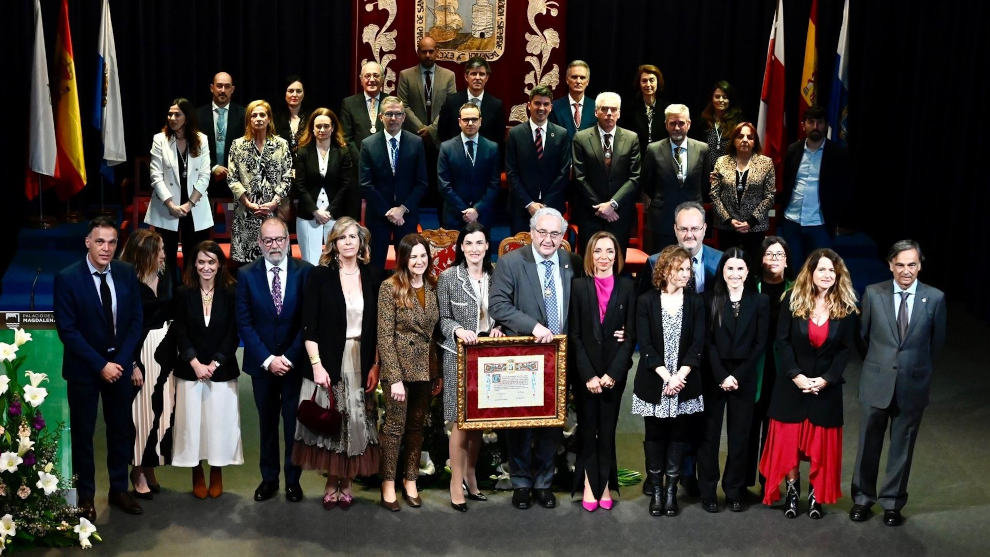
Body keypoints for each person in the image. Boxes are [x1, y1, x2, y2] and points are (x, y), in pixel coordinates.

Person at [489, 207, 583, 510]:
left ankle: (544, 482)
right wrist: (532, 326)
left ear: (563, 236)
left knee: (553, 424)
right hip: (525, 357)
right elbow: (498, 306)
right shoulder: (511, 262)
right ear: (532, 232)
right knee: (520, 424)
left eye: (555, 233)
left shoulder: (573, 263)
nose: (548, 239)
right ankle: (521, 483)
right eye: (542, 232)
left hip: (561, 357)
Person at [850, 240, 946, 527]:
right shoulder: (872, 294)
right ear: (891, 265)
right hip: (876, 382)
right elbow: (862, 338)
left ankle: (892, 502)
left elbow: (935, 345)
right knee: (869, 444)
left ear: (920, 265)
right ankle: (863, 499)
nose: (906, 271)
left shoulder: (936, 298)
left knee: (902, 447)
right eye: (900, 264)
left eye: (912, 264)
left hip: (912, 385)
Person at [54, 216, 145, 519]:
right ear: (87, 243)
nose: (106, 248)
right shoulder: (67, 278)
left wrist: (120, 362)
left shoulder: (126, 272)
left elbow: (135, 322)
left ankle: (119, 489)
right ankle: (86, 497)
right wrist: (101, 365)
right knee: (84, 435)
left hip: (118, 368)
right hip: (85, 372)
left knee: (120, 431)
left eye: (112, 242)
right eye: (100, 241)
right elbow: (68, 331)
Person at [760, 248, 858, 519]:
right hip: (792, 386)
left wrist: (826, 379)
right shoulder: (791, 299)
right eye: (821, 269)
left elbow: (845, 350)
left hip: (825, 390)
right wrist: (796, 375)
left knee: (819, 447)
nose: (826, 275)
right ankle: (793, 493)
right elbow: (781, 341)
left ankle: (816, 497)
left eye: (831, 270)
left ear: (838, 274)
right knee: (790, 445)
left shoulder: (847, 306)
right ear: (811, 273)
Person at [293, 217, 382, 510]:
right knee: (334, 420)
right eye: (342, 237)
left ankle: (348, 480)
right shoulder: (320, 276)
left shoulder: (372, 275)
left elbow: (379, 327)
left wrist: (375, 365)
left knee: (356, 422)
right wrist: (317, 365)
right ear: (333, 242)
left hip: (361, 357)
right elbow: (309, 326)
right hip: (330, 358)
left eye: (353, 237)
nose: (347, 242)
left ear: (361, 243)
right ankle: (332, 481)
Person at [235, 217, 313, 503]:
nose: (274, 245)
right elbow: (244, 323)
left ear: (288, 240)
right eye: (268, 241)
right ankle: (269, 480)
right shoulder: (246, 275)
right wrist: (268, 359)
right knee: (267, 425)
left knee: (293, 426)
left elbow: (308, 321)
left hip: (294, 365)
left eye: (279, 239)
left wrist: (289, 357)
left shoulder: (305, 272)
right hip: (262, 366)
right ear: (259, 244)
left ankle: (293, 481)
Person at [631, 245, 705, 517]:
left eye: (688, 269)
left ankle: (672, 491)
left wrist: (679, 377)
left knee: (678, 435)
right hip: (655, 380)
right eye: (680, 268)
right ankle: (657, 490)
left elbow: (698, 344)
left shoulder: (696, 302)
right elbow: (646, 345)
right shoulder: (647, 301)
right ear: (666, 269)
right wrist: (666, 377)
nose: (686, 273)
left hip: (685, 382)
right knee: (654, 436)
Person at [696, 247, 769, 513]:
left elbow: (760, 344)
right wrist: (721, 375)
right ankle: (708, 490)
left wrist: (736, 376)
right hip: (714, 374)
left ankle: (734, 490)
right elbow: (707, 342)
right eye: (730, 268)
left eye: (740, 268)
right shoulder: (709, 299)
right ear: (722, 271)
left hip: (744, 377)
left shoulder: (759, 301)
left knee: (741, 436)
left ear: (748, 271)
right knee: (709, 436)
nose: (735, 273)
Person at [436, 222, 503, 512]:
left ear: (487, 246)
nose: (474, 249)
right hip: (458, 355)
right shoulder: (449, 277)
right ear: (461, 247)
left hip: (488, 357)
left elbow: (505, 309)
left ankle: (472, 474)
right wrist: (458, 331)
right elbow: (442, 318)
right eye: (469, 243)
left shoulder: (497, 275)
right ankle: (456, 483)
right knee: (460, 423)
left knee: (479, 422)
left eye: (480, 243)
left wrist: (500, 326)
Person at [569, 231, 636, 512]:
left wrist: (613, 374)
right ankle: (587, 484)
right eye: (598, 251)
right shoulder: (579, 286)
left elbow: (630, 336)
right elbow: (575, 336)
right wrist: (588, 376)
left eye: (610, 251)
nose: (604, 257)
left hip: (613, 375)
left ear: (617, 256)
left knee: (607, 431)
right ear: (590, 255)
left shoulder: (628, 286)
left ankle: (606, 485)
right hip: (586, 374)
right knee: (587, 430)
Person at [170, 240, 242, 499]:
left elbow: (234, 332)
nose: (206, 267)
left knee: (219, 423)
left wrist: (215, 362)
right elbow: (180, 330)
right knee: (193, 423)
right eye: (201, 262)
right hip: (191, 370)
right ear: (194, 265)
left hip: (221, 370)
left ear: (220, 264)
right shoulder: (183, 292)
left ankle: (217, 470)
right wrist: (195, 362)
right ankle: (197, 470)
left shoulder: (232, 292)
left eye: (211, 262)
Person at [377, 233, 441, 512]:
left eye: (423, 255)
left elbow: (434, 335)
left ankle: (410, 479)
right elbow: (384, 336)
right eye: (413, 256)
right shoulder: (389, 287)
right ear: (404, 258)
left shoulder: (432, 286)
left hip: (426, 369)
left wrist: (436, 374)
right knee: (393, 429)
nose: (419, 261)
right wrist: (394, 378)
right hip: (400, 372)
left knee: (417, 428)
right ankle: (388, 483)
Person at [119, 230, 173, 501]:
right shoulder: (126, 282)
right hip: (139, 355)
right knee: (139, 417)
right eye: (159, 250)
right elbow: (123, 327)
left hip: (163, 355)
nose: (164, 254)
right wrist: (131, 364)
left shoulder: (164, 275)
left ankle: (151, 465)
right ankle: (137, 469)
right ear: (145, 254)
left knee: (160, 415)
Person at [145, 98, 213, 286]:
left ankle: (192, 299)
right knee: (165, 259)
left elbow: (205, 175)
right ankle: (167, 300)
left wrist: (189, 204)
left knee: (194, 257)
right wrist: (171, 204)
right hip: (167, 207)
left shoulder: (201, 139)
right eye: (170, 114)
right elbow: (155, 176)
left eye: (177, 114)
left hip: (194, 206)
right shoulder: (160, 139)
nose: (172, 118)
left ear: (187, 117)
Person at [777, 105, 854, 269]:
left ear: (826, 125)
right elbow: (786, 182)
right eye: (811, 122)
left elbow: (843, 189)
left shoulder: (837, 154)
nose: (816, 126)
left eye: (820, 122)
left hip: (820, 223)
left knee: (819, 270)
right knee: (794, 269)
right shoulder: (793, 150)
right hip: (792, 221)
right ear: (803, 125)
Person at [745, 236, 794, 492]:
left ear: (787, 260)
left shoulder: (796, 289)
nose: (774, 259)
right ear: (761, 259)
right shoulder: (750, 287)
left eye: (779, 254)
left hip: (783, 368)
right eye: (769, 254)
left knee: (774, 429)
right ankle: (742, 483)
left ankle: (770, 483)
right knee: (749, 427)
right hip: (754, 367)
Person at [359, 96, 428, 269]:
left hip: (407, 216)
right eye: (389, 114)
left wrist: (402, 209)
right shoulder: (368, 144)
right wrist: (389, 212)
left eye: (398, 114)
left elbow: (422, 182)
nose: (393, 118)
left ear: (404, 117)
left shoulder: (416, 143)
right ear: (381, 117)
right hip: (378, 216)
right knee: (374, 266)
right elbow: (365, 184)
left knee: (408, 266)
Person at [571, 92, 641, 251]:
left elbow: (634, 177)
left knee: (616, 263)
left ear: (619, 113)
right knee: (589, 264)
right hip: (591, 214)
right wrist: (601, 209)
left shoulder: (631, 138)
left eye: (613, 109)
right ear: (596, 112)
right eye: (604, 109)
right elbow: (579, 177)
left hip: (618, 214)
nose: (609, 113)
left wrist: (613, 204)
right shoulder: (581, 138)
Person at [227, 100, 293, 265]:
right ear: (249, 120)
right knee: (246, 266)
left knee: (275, 261)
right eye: (254, 115)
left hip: (274, 211)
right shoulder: (238, 145)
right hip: (246, 212)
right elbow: (232, 177)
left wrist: (274, 202)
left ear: (269, 118)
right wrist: (247, 202)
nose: (258, 118)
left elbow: (288, 176)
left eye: (262, 115)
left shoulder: (281, 145)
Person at [292, 108, 355, 265]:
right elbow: (299, 184)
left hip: (334, 215)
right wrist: (315, 210)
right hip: (308, 215)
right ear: (312, 128)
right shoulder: (303, 152)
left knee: (334, 262)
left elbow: (345, 184)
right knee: (310, 262)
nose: (322, 130)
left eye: (326, 126)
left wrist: (329, 212)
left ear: (332, 128)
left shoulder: (342, 152)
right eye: (318, 126)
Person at [505, 86, 572, 234]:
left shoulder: (561, 134)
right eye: (537, 103)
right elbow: (511, 173)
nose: (541, 108)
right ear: (529, 105)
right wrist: (529, 204)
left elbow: (564, 171)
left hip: (553, 207)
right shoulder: (515, 134)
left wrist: (546, 204)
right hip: (522, 208)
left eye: (546, 104)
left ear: (551, 107)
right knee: (521, 253)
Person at [643, 104, 709, 251]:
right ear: (666, 125)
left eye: (681, 123)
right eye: (672, 123)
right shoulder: (653, 150)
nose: (677, 128)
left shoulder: (702, 149)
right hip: (662, 219)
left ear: (689, 124)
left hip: (692, 221)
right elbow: (648, 184)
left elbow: (705, 185)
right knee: (662, 264)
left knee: (690, 264)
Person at [709, 122, 776, 260]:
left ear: (755, 141)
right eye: (740, 136)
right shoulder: (721, 162)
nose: (745, 140)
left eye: (750, 137)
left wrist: (750, 222)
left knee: (752, 269)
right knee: (727, 266)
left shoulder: (766, 163)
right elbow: (714, 195)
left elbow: (769, 197)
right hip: (726, 227)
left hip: (755, 228)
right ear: (734, 140)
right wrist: (728, 220)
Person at [437, 103, 501, 229]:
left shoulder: (492, 148)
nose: (470, 123)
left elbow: (494, 183)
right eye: (466, 120)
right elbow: (444, 185)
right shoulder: (446, 147)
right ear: (459, 122)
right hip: (454, 215)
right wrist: (465, 211)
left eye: (474, 119)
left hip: (482, 215)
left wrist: (477, 210)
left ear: (480, 121)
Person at [642, 202, 723, 296]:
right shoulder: (654, 262)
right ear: (675, 229)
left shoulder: (721, 261)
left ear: (704, 228)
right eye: (683, 229)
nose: (689, 235)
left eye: (695, 229)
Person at [437, 57, 505, 157]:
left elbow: (499, 138)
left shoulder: (496, 105)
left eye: (481, 74)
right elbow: (442, 133)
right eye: (473, 74)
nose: (477, 78)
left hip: (485, 159)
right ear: (466, 76)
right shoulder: (451, 102)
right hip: (456, 158)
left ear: (487, 78)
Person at [397, 36, 456, 144]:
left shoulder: (449, 76)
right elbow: (403, 105)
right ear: (418, 52)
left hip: (440, 137)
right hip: (414, 136)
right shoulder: (405, 75)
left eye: (431, 51)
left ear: (437, 52)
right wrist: (421, 128)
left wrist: (432, 130)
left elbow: (451, 105)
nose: (428, 55)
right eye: (424, 52)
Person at [196, 71, 246, 199]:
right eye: (219, 86)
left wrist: (230, 170)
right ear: (212, 88)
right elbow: (194, 148)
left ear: (232, 89)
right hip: (204, 179)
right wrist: (213, 167)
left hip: (236, 180)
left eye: (227, 86)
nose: (223, 90)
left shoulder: (243, 115)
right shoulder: (197, 115)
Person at [698, 81, 744, 172]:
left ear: (730, 100)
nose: (721, 100)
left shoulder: (738, 122)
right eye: (717, 97)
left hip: (730, 171)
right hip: (706, 171)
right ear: (712, 99)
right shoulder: (704, 121)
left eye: (725, 97)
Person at [339, 61, 385, 145]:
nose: (371, 79)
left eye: (376, 76)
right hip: (358, 156)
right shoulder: (349, 104)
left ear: (383, 79)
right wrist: (360, 158)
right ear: (361, 79)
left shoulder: (391, 103)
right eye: (367, 76)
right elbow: (346, 137)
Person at [626, 65, 667, 159]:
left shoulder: (667, 108)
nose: (648, 84)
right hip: (636, 157)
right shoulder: (630, 109)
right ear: (639, 83)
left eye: (652, 80)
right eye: (644, 81)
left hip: (661, 158)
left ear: (658, 82)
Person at [549, 60, 596, 138]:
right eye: (574, 77)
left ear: (587, 81)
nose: (578, 81)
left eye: (582, 77)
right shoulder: (555, 107)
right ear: (567, 80)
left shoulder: (596, 107)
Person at [273, 75, 309, 155]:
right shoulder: (275, 118)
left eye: (299, 91)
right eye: (291, 91)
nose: (295, 95)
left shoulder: (311, 118)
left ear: (304, 94)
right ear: (284, 93)